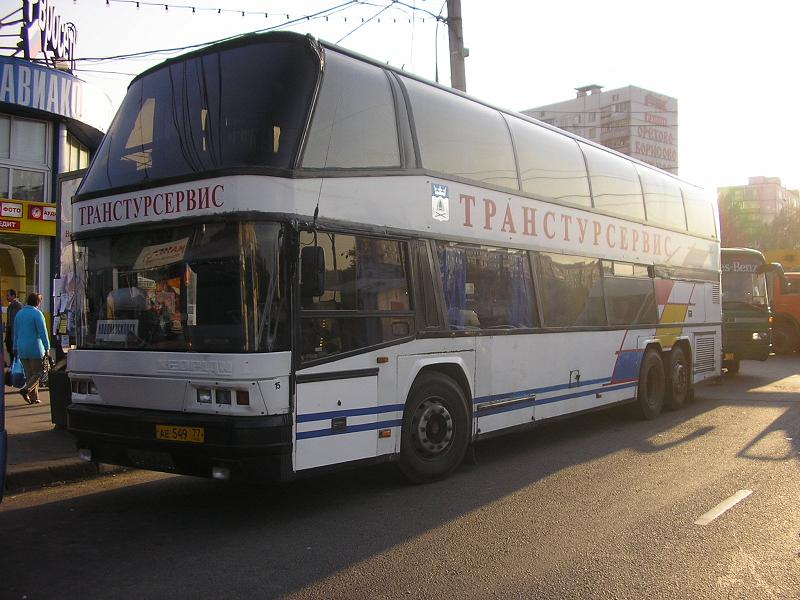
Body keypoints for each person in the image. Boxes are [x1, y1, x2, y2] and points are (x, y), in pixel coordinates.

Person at [13, 292, 50, 404]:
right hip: (35, 347)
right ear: (38, 302)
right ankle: (26, 390)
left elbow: (16, 332)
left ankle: (34, 398)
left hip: (21, 347)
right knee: (39, 372)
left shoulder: (19, 314)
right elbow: (43, 332)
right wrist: (47, 347)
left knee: (30, 374)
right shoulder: (37, 314)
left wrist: (15, 346)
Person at [4, 289, 22, 364]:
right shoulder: (10, 307)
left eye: (8, 295)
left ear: (13, 296)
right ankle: (12, 364)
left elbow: (16, 321)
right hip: (10, 330)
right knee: (9, 347)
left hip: (14, 331)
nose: (7, 297)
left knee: (12, 349)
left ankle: (14, 365)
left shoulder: (17, 306)